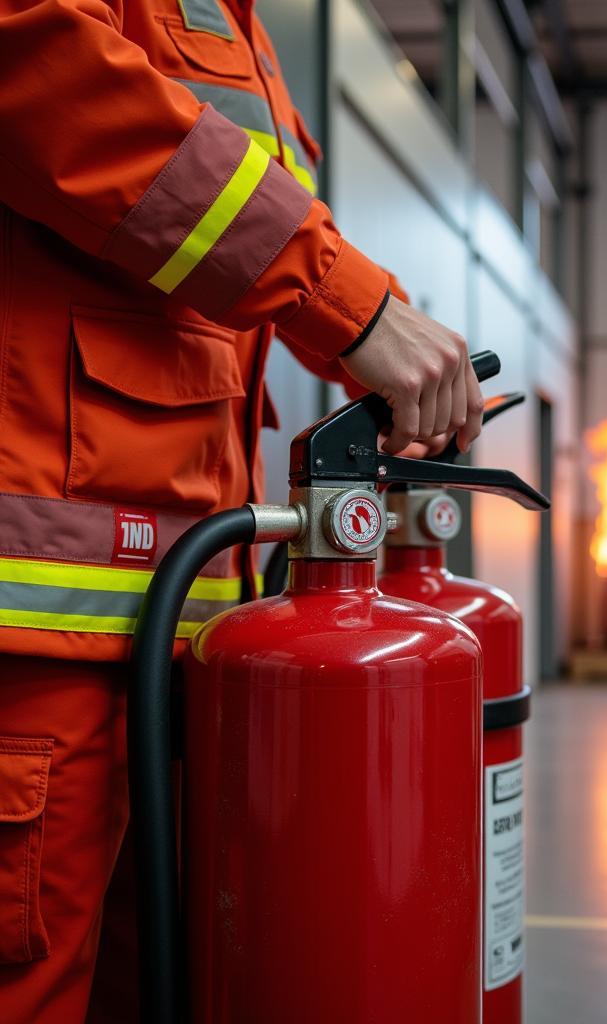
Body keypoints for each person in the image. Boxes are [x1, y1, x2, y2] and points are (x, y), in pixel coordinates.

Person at [0, 2, 483, 1021]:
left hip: (172, 640)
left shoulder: (237, 25)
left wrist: (367, 337)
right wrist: (352, 307)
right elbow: (54, 86)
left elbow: (217, 239)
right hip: (34, 639)